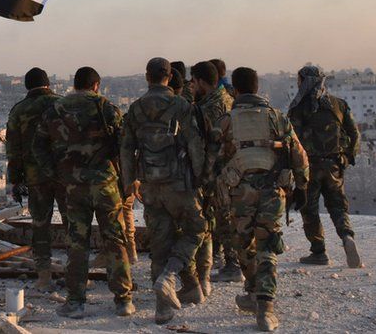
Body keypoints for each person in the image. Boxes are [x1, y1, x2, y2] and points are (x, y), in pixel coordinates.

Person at [34, 66, 134, 318]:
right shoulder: (106, 107)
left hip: (73, 186)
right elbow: (124, 146)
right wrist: (126, 181)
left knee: (77, 244)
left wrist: (55, 173)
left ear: (75, 84)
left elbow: (39, 146)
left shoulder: (56, 109)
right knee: (114, 240)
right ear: (96, 85)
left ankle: (76, 301)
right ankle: (123, 299)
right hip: (105, 184)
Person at [215, 67, 309, 332]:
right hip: (272, 188)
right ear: (257, 88)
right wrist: (301, 186)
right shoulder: (277, 118)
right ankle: (265, 304)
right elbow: (299, 155)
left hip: (239, 191)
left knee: (244, 242)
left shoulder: (226, 121)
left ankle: (255, 291)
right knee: (267, 243)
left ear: (235, 90)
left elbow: (213, 157)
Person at [119, 58, 207, 324]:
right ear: (170, 77)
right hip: (179, 184)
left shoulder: (135, 109)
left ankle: (165, 307)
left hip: (150, 186)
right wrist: (201, 177)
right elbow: (195, 145)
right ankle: (171, 275)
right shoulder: (182, 106)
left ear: (147, 77)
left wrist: (129, 183)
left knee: (160, 241)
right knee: (197, 228)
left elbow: (126, 149)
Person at [288, 65, 363, 268]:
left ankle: (319, 251)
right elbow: (354, 134)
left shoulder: (297, 108)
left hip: (308, 168)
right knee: (338, 206)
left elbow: (292, 142)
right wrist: (347, 157)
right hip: (334, 165)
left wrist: (291, 170)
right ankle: (347, 236)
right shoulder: (338, 104)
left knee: (309, 210)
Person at [5, 67, 64, 291]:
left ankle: (44, 276)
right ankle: (76, 275)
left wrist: (15, 180)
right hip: (63, 175)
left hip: (35, 176)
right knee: (73, 224)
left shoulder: (19, 110)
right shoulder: (62, 105)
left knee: (40, 225)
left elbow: (13, 149)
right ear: (48, 84)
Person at [189, 61, 238, 294]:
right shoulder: (225, 98)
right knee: (222, 217)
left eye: (193, 81)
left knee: (221, 217)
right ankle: (225, 260)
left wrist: (204, 174)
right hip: (229, 167)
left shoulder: (210, 106)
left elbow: (210, 144)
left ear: (200, 81)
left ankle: (232, 264)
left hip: (218, 169)